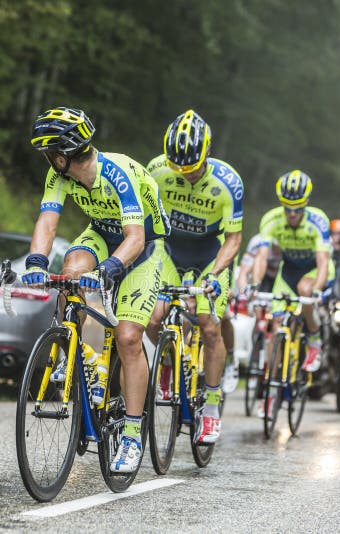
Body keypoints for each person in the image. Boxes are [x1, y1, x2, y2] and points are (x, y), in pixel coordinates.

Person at [22, 107, 169, 473]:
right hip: (104, 234)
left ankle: (133, 435)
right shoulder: (60, 176)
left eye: (47, 154)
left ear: (61, 156)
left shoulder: (117, 173)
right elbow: (48, 221)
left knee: (129, 336)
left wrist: (109, 269)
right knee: (71, 272)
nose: (47, 160)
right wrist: (37, 263)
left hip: (146, 246)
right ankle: (76, 354)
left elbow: (135, 238)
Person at [146, 109, 244, 444]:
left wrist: (215, 274)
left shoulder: (228, 183)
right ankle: (169, 364)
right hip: (170, 249)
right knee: (153, 316)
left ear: (207, 154)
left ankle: (213, 409)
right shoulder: (157, 169)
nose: (185, 175)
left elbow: (233, 239)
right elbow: (144, 221)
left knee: (208, 324)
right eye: (179, 169)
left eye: (192, 169)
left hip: (209, 254)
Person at [250, 170, 334, 381]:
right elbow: (261, 256)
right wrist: (254, 285)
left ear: (305, 204)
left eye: (297, 208)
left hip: (313, 269)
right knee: (276, 325)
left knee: (305, 290)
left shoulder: (318, 221)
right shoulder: (271, 219)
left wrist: (316, 290)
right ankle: (271, 382)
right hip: (288, 271)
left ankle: (314, 339)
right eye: (287, 207)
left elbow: (323, 261)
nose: (292, 213)